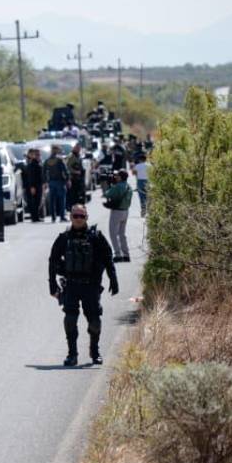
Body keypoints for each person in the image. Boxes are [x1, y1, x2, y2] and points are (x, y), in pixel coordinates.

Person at [48, 204, 119, 366]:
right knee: (70, 320)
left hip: (91, 286)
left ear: (86, 217)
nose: (78, 219)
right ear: (71, 217)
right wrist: (52, 286)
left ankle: (94, 351)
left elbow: (108, 258)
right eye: (75, 216)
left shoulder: (96, 236)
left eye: (81, 216)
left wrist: (113, 280)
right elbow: (52, 261)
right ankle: (72, 354)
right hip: (71, 286)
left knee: (94, 321)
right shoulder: (64, 238)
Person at [102, 169, 133, 261]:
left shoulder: (118, 186)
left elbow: (107, 194)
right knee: (122, 234)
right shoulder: (128, 186)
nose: (116, 177)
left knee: (113, 234)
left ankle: (118, 254)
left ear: (121, 177)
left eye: (117, 176)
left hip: (117, 212)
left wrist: (108, 185)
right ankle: (126, 254)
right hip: (125, 211)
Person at [43, 145, 70, 222]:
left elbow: (43, 172)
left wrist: (45, 182)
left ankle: (53, 217)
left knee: (52, 200)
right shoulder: (60, 160)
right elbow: (65, 170)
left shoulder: (47, 160)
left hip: (51, 182)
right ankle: (62, 216)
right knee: (62, 200)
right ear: (56, 150)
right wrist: (68, 179)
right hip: (60, 182)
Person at [21, 148, 45, 223]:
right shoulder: (32, 164)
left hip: (38, 185)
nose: (38, 156)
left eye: (39, 154)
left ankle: (36, 217)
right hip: (34, 186)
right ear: (34, 155)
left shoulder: (38, 163)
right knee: (34, 202)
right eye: (37, 154)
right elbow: (31, 176)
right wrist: (32, 187)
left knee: (37, 201)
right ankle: (34, 217)